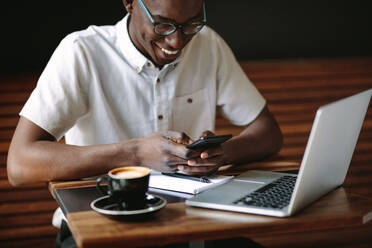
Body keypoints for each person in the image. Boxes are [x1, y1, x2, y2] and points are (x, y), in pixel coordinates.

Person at [7, 0, 282, 247]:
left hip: (191, 226)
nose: (177, 42)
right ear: (129, 3)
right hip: (99, 229)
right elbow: (19, 164)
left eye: (191, 24)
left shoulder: (209, 45)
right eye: (163, 24)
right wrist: (135, 153)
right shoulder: (82, 52)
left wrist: (221, 154)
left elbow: (268, 134)